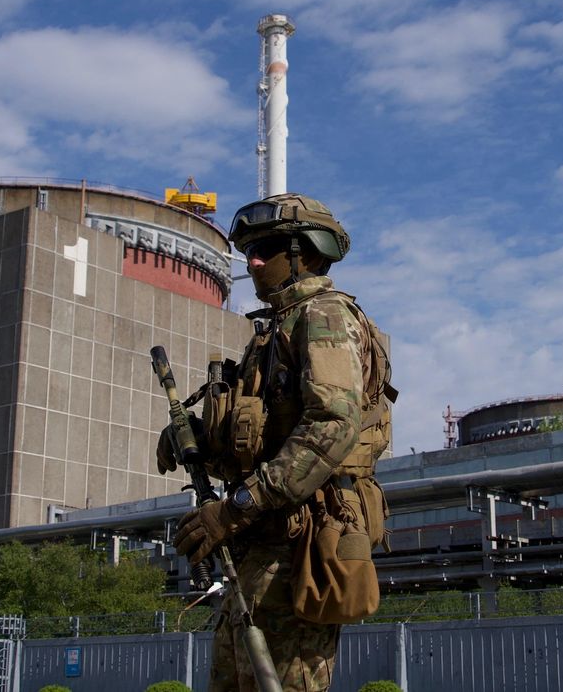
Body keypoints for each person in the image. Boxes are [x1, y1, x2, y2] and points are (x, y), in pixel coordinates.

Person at [157, 193, 395, 692]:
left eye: (265, 250)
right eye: (249, 252)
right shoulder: (275, 331)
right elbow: (265, 437)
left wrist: (236, 508)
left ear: (304, 253)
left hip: (302, 543)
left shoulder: (324, 316)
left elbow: (332, 426)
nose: (253, 262)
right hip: (264, 541)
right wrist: (199, 438)